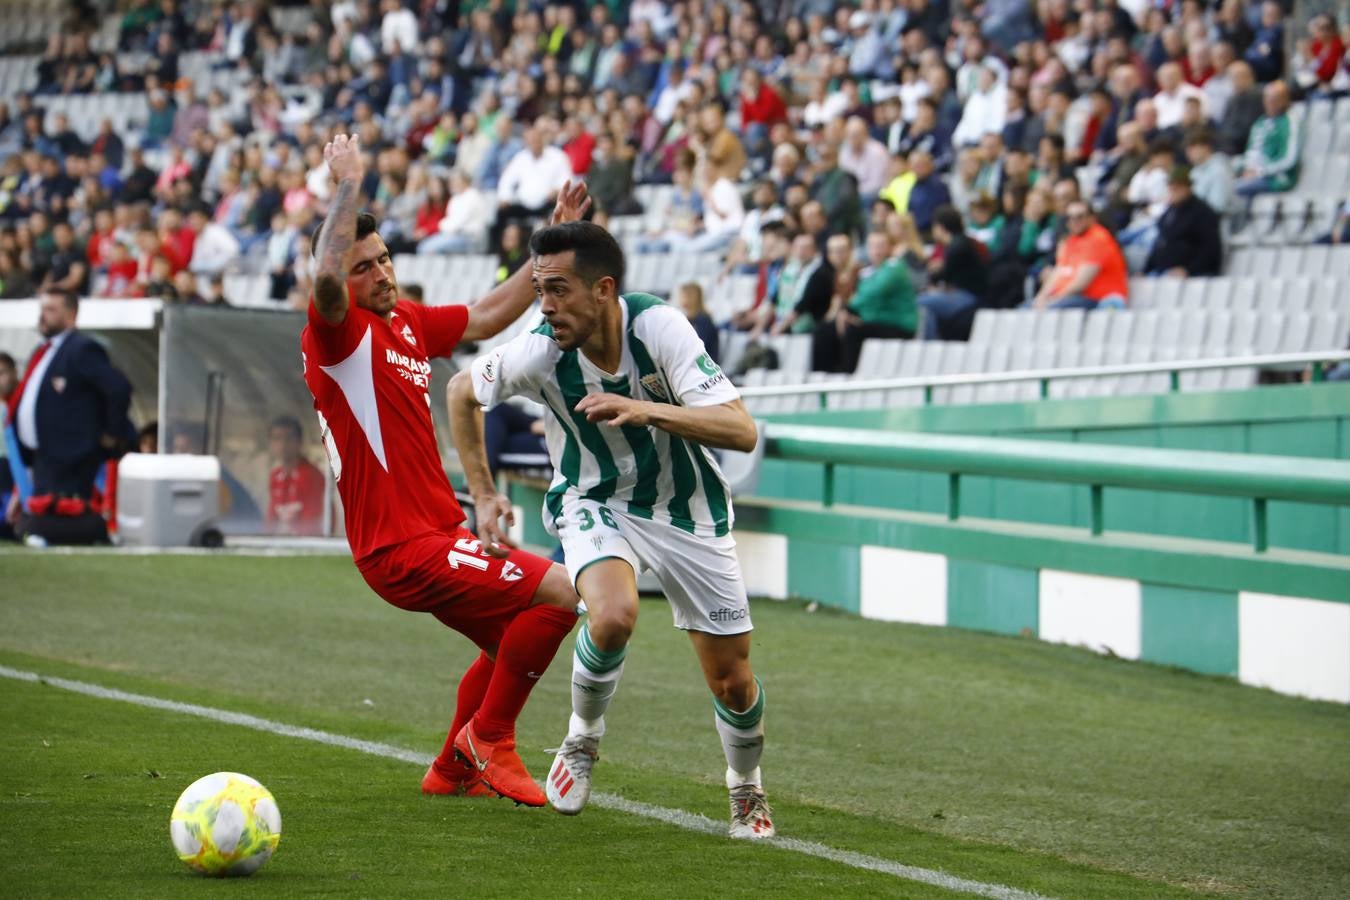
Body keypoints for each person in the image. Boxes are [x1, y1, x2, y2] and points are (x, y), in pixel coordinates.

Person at [446, 221, 775, 840]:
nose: (546, 305)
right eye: (540, 289)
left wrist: (647, 408)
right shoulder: (541, 349)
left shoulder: (659, 327)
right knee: (612, 614)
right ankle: (581, 739)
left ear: (603, 289)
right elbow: (462, 390)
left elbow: (741, 429)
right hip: (595, 499)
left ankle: (745, 787)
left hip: (688, 511)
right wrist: (485, 496)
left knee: (732, 681)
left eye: (559, 290)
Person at [301, 133, 588, 807]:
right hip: (401, 546)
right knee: (561, 592)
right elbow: (320, 278)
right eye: (364, 266)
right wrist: (348, 186)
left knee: (507, 644)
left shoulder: (404, 323)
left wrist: (548, 242)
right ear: (342, 280)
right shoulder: (335, 335)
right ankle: (489, 741)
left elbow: (488, 313)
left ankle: (451, 768)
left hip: (437, 534)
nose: (382, 273)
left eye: (385, 258)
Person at [6, 290, 136, 536]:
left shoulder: (81, 349)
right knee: (37, 516)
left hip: (72, 453)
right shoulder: (42, 351)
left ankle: (91, 530)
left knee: (60, 515)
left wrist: (111, 433)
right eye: (42, 310)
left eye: (51, 310)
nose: (43, 317)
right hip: (42, 454)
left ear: (71, 315)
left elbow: (118, 388)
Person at [812, 230, 917, 374]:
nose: (876, 250)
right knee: (825, 329)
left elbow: (874, 292)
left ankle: (847, 374)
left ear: (889, 247)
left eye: (881, 246)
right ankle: (824, 375)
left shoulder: (895, 266)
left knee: (853, 331)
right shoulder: (869, 271)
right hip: (875, 321)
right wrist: (847, 313)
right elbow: (862, 298)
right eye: (873, 246)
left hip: (898, 325)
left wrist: (847, 309)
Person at [1028, 202, 1129, 310]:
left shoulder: (1098, 239)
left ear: (1092, 218)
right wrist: (1041, 297)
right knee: (1026, 308)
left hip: (1098, 299)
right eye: (1070, 217)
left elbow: (1080, 284)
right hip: (1070, 298)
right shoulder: (1070, 240)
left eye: (1080, 217)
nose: (1074, 221)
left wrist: (1054, 299)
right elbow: (1058, 272)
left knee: (1051, 310)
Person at [917, 205, 988, 341]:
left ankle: (929, 346)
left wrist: (936, 271)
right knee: (929, 309)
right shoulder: (961, 243)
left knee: (921, 302)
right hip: (963, 293)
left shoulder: (957, 246)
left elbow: (944, 275)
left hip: (968, 297)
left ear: (940, 227)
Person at [1144, 167, 1223, 278]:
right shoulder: (1170, 211)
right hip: (1161, 271)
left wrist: (1188, 270)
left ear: (1188, 187)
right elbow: (1159, 244)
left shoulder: (1202, 212)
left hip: (1191, 275)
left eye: (1177, 187)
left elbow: (1211, 249)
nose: (1173, 190)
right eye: (1171, 187)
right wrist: (1145, 270)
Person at [1235, 80, 1300, 198]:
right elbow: (1251, 153)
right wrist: (1244, 168)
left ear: (1285, 100)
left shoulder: (1290, 122)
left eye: (1275, 99)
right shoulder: (1259, 122)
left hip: (1277, 178)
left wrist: (1260, 171)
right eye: (1268, 98)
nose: (1271, 102)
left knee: (1233, 189)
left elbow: (1290, 159)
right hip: (1253, 174)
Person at [265, 415, 326, 537]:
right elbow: (271, 519)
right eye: (277, 438)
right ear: (271, 443)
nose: (283, 444)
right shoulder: (275, 476)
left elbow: (312, 521)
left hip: (304, 544)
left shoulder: (313, 476)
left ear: (299, 441)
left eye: (289, 438)